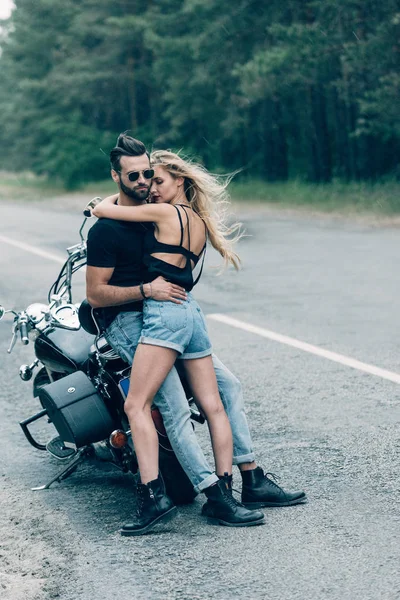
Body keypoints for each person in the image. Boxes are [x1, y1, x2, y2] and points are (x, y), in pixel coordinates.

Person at [86, 133, 306, 534]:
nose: (145, 183)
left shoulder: (157, 213)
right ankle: (211, 493)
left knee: (229, 387)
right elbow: (96, 296)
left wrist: (160, 290)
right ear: (116, 176)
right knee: (170, 403)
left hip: (168, 317)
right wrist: (146, 289)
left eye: (150, 175)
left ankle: (249, 478)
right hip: (138, 319)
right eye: (135, 176)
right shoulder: (110, 229)